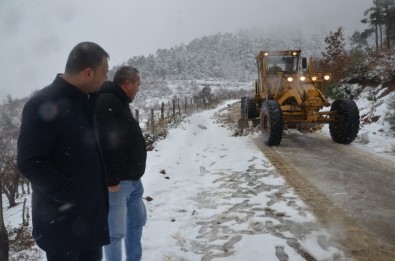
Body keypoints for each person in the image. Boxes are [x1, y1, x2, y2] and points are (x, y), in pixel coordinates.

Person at [17, 42, 110, 261]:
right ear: (88, 73)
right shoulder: (42, 104)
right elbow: (30, 162)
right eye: (105, 72)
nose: (106, 78)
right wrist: (72, 194)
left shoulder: (86, 101)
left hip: (91, 222)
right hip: (61, 226)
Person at [95, 66, 147, 261]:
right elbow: (105, 141)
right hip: (118, 184)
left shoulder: (119, 102)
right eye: (138, 85)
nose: (138, 89)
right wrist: (112, 179)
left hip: (133, 181)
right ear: (128, 84)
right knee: (115, 234)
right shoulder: (107, 102)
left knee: (136, 223)